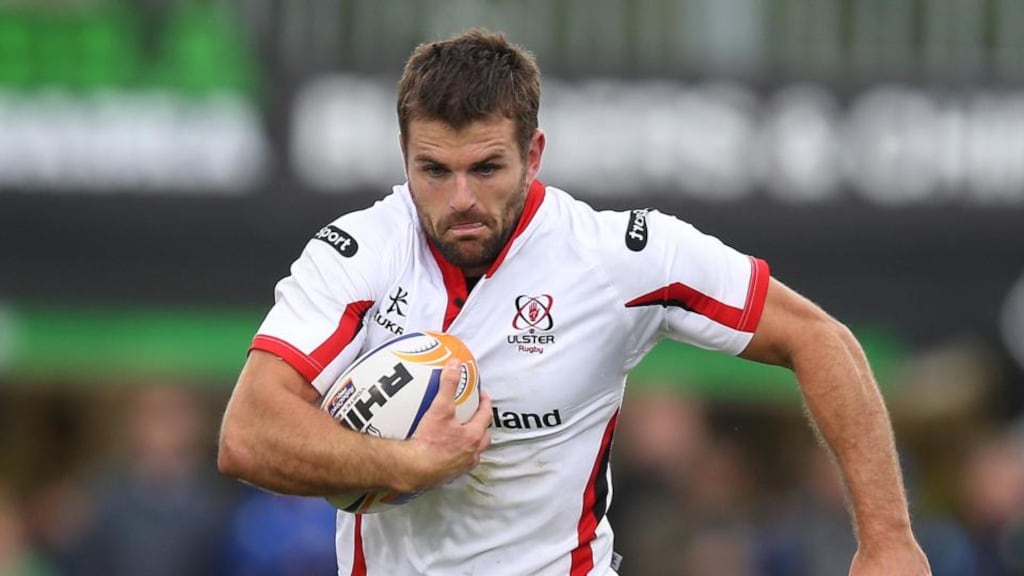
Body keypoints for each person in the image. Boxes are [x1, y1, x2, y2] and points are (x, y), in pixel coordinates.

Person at [217, 28, 932, 575]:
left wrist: (887, 540)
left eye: (487, 168)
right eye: (432, 171)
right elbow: (248, 436)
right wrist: (405, 464)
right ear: (403, 157)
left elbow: (820, 339)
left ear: (535, 154)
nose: (460, 199)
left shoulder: (615, 256)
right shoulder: (359, 252)